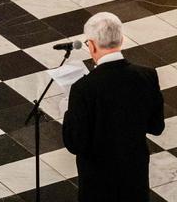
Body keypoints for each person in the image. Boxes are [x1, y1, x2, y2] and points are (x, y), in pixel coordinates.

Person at [62, 12, 165, 202]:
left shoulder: (83, 88)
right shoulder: (147, 76)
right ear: (122, 40)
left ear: (91, 45)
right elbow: (156, 127)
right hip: (134, 174)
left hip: (98, 181)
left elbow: (75, 143)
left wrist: (68, 112)